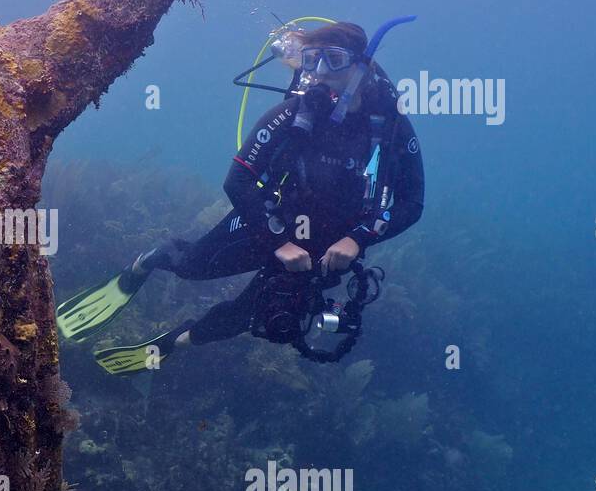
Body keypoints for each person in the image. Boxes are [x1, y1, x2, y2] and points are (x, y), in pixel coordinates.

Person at [56, 21, 424, 373]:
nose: (322, 72)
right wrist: (279, 241)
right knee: (192, 266)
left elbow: (412, 203)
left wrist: (358, 239)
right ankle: (143, 265)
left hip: (327, 249)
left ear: (362, 65)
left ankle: (173, 344)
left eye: (335, 60)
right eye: (312, 60)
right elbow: (238, 181)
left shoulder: (391, 126)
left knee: (258, 316)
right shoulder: (295, 112)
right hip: (269, 220)